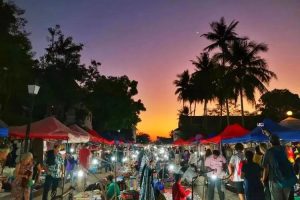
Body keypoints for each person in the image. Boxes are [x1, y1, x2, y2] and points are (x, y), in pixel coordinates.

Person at [262, 135, 297, 200]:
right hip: (287, 179)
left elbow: (266, 168)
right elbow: (291, 162)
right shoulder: (285, 149)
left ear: (270, 142)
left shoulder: (269, 152)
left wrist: (264, 180)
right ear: (279, 141)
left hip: (275, 181)